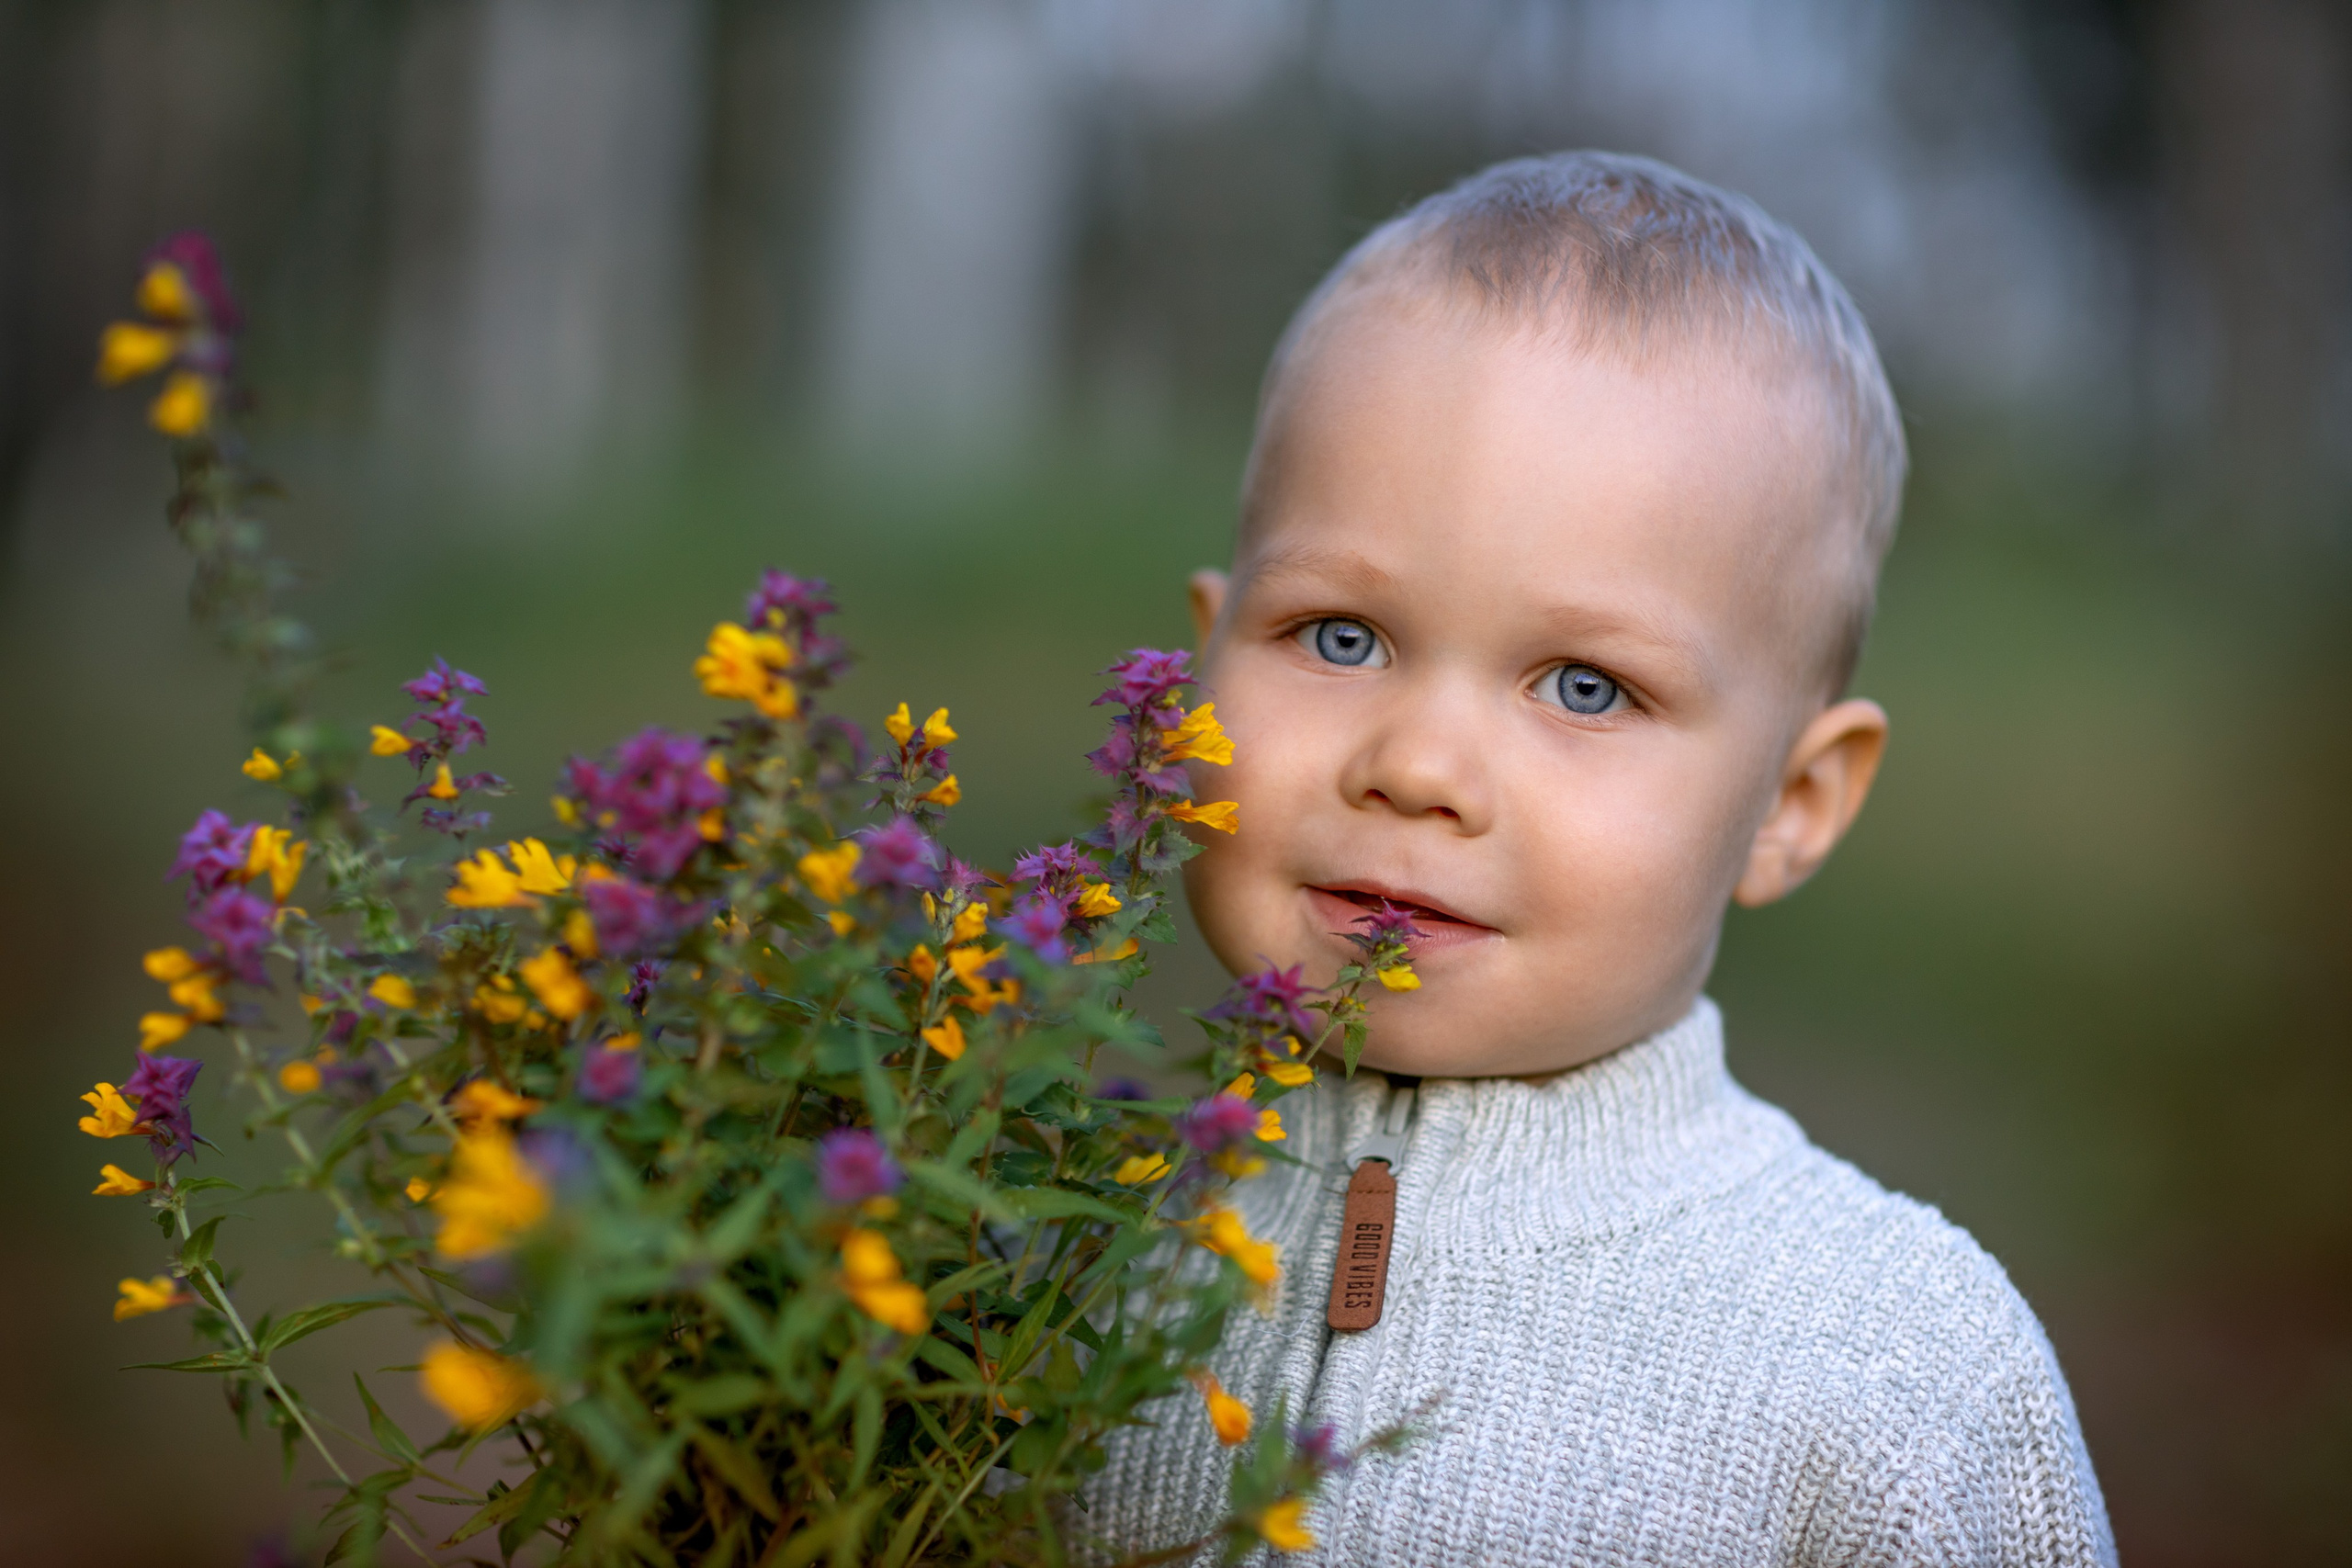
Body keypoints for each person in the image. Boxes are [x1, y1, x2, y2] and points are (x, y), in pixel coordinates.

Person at [1083, 152, 2115, 1566]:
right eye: (1339, 636)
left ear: (1792, 803)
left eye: (1583, 687)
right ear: (1198, 659)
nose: (1419, 768)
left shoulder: (1899, 1376)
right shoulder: (1032, 1251)